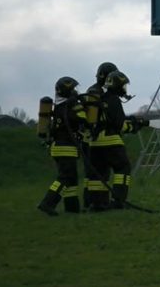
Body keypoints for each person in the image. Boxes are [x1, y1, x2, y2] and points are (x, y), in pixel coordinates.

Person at [89, 71, 147, 210]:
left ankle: (96, 204)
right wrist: (133, 127)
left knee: (99, 174)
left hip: (95, 143)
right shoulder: (113, 100)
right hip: (111, 142)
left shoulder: (99, 99)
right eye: (123, 86)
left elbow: (108, 120)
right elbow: (120, 125)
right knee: (122, 168)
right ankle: (118, 201)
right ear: (117, 85)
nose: (124, 89)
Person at [37, 77, 88, 216]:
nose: (75, 92)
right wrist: (80, 104)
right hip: (66, 147)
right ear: (67, 91)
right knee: (66, 177)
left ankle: (72, 208)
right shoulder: (68, 107)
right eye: (73, 89)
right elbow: (83, 118)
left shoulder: (59, 106)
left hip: (59, 147)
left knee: (71, 178)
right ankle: (47, 202)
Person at [81, 62, 117, 209]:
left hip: (87, 138)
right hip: (93, 139)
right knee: (97, 173)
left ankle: (92, 202)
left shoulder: (92, 91)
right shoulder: (98, 93)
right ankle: (97, 203)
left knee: (92, 174)